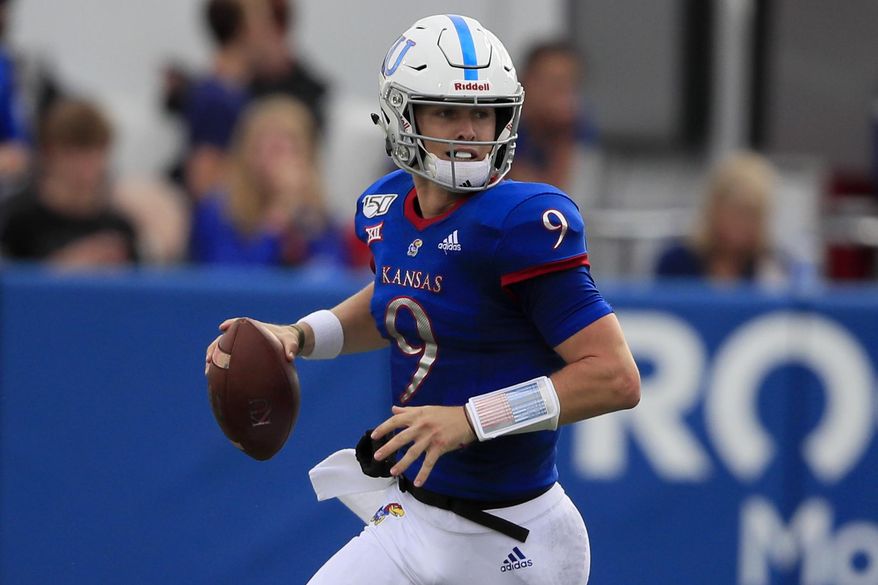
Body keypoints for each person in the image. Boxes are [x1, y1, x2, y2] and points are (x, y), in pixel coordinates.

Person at [204, 14, 639, 584]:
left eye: (481, 112)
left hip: (515, 539)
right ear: (400, 115)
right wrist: (302, 336)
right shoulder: (387, 206)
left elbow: (614, 377)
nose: (468, 131)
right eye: (447, 111)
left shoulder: (520, 222)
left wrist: (470, 419)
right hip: (413, 517)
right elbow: (397, 300)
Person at [189, 95, 346, 266]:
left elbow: (331, 272)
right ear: (247, 154)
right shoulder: (217, 210)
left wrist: (304, 221)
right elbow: (230, 277)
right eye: (272, 149)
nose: (281, 162)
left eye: (291, 148)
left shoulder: (320, 215)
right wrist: (276, 220)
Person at [0, 98, 138, 266]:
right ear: (49, 155)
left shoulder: (120, 228)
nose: (85, 168)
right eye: (73, 155)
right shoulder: (16, 220)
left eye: (94, 154)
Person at [655, 151, 786, 284]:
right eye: (734, 212)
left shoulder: (771, 269)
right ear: (713, 209)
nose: (740, 224)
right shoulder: (675, 262)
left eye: (750, 214)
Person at [509, 40, 602, 211]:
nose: (561, 91)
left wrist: (564, 136)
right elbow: (526, 198)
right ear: (526, 80)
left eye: (569, 83)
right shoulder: (502, 123)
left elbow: (567, 200)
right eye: (553, 81)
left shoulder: (575, 124)